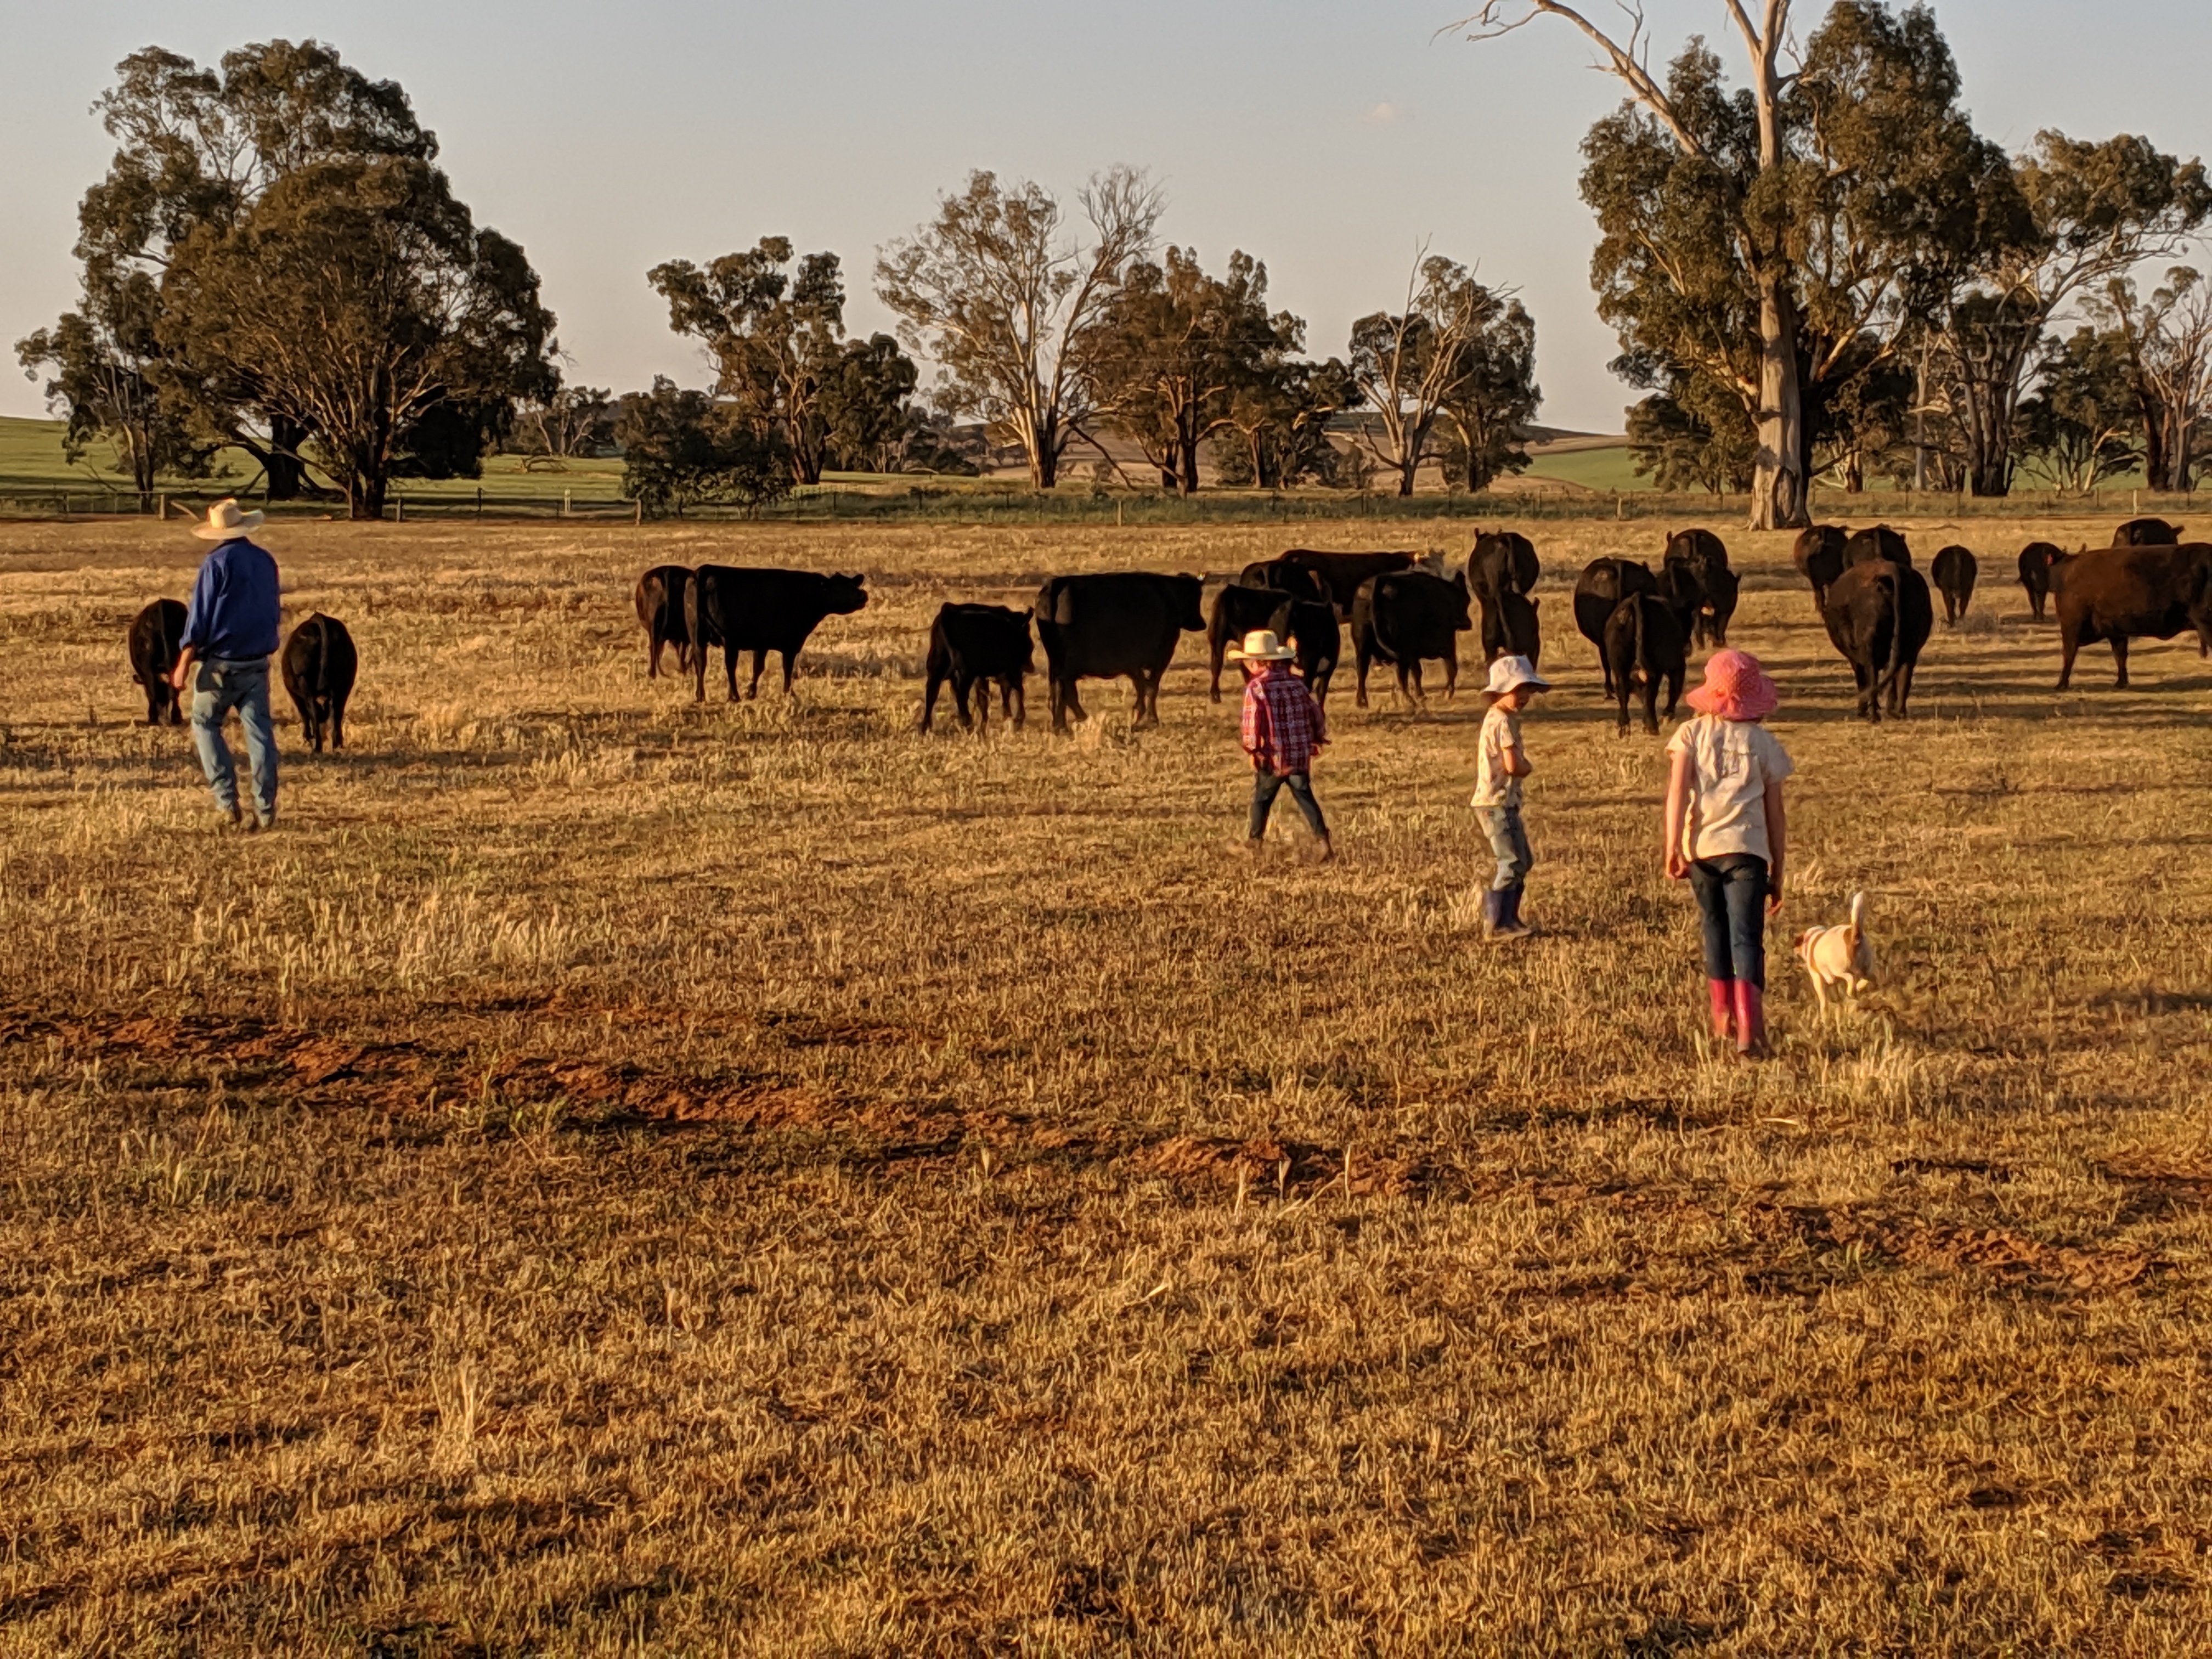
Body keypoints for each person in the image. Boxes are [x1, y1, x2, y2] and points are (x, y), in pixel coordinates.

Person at [1662, 648, 1793, 1058]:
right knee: (1747, 939)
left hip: (1701, 850)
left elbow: (1677, 793)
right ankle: (1750, 1032)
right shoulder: (1764, 743)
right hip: (1748, 852)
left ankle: (1722, 1017)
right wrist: (1779, 867)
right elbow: (1776, 813)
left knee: (1714, 931)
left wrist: (1672, 846)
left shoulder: (1690, 735)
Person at [170, 498, 282, 831]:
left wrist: (183, 663)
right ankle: (265, 808)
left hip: (221, 663)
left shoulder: (215, 564)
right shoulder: (265, 561)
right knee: (260, 733)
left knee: (205, 723)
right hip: (257, 662)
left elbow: (199, 619)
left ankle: (226, 802)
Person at [1232, 629, 1333, 860]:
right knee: (1305, 797)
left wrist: (1253, 750)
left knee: (1262, 800)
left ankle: (1254, 843)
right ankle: (1323, 840)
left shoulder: (1256, 688)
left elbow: (1252, 725)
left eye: (1248, 662)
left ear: (1258, 663)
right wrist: (1317, 737)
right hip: (1298, 755)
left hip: (1272, 756)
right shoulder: (1297, 685)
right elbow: (1316, 714)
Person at [1473, 654, 1550, 941]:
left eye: (1528, 690)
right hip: (1495, 804)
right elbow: (1512, 765)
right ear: (1501, 691)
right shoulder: (1503, 722)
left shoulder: (1498, 718)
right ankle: (1497, 924)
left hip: (1502, 803)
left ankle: (1510, 919)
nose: (1525, 697)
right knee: (1511, 862)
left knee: (1523, 860)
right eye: (1520, 691)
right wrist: (1526, 767)